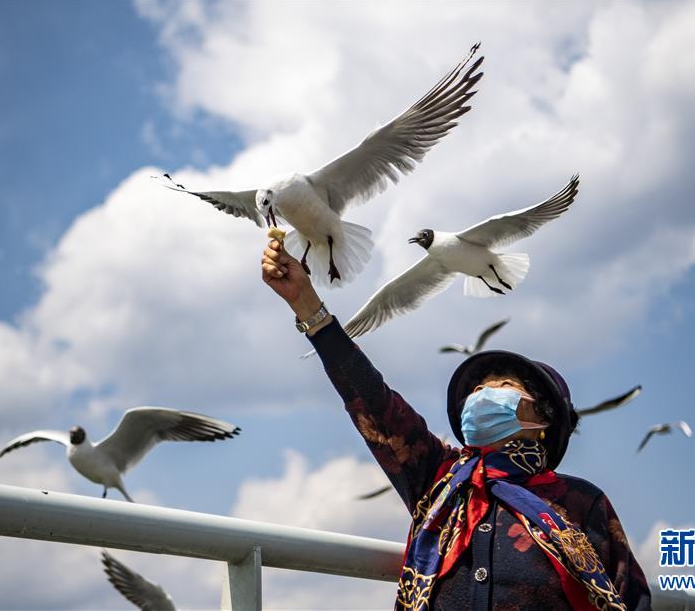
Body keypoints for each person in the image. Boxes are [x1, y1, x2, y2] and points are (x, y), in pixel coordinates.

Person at [261, 239, 652, 610]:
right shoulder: (437, 479)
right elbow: (370, 398)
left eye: (502, 385)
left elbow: (630, 600)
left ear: (544, 418)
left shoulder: (583, 504)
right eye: (478, 387)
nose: (484, 392)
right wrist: (307, 305)